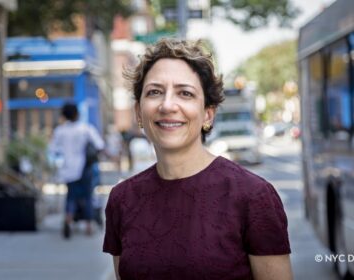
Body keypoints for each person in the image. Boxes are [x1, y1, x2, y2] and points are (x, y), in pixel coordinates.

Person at [103, 39, 293, 280]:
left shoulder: (253, 197)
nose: (167, 105)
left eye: (185, 93)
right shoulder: (122, 200)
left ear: (207, 114)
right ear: (139, 112)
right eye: (154, 92)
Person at [49, 103, 104, 239]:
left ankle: (68, 220)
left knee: (71, 197)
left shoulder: (60, 131)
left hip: (68, 169)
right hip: (85, 168)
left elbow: (53, 150)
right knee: (87, 196)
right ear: (77, 114)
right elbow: (99, 145)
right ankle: (88, 226)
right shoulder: (85, 129)